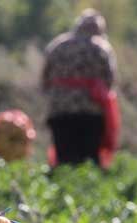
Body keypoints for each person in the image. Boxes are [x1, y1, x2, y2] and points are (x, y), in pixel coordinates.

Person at [42, 8, 119, 168]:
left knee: (64, 158)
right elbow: (110, 81)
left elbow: (45, 79)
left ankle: (61, 189)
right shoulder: (101, 48)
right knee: (89, 159)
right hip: (91, 112)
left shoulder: (58, 45)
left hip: (59, 110)